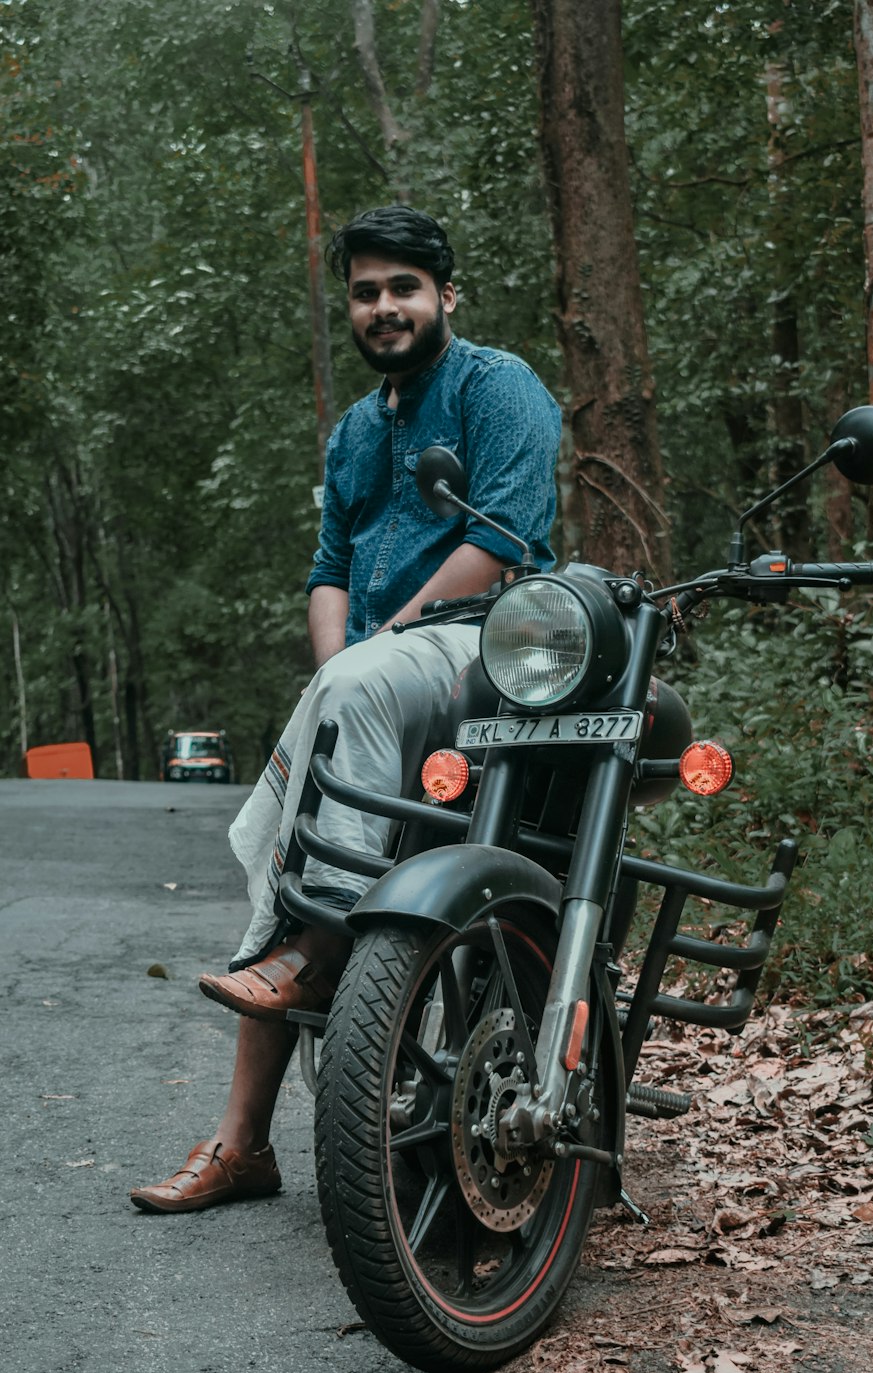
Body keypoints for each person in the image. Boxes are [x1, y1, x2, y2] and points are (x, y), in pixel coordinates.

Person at [130, 205, 562, 1212]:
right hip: (379, 671)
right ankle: (244, 1145)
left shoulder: (500, 389)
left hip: (486, 649)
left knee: (346, 724)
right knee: (296, 842)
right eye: (366, 292)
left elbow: (501, 540)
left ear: (445, 294)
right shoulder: (358, 429)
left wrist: (379, 647)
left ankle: (321, 949)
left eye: (403, 288)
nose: (384, 307)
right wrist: (338, 663)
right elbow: (328, 569)